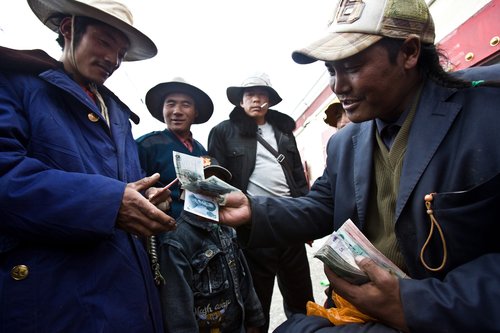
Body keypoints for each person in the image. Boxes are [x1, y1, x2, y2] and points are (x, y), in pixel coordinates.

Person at [210, 0, 500, 332]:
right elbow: (322, 205)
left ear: (408, 52)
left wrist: (416, 303)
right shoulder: (345, 143)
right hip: (355, 312)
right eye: (331, 70)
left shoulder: (488, 117)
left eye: (352, 66)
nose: (338, 86)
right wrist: (254, 212)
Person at [0, 0, 176, 332]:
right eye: (105, 41)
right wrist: (109, 202)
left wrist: (147, 197)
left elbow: (124, 187)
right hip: (57, 304)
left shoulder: (119, 115)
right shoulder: (16, 83)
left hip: (129, 298)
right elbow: (5, 174)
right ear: (68, 29)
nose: (113, 59)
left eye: (122, 53)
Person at [208, 72, 314, 332]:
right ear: (240, 102)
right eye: (249, 95)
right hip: (254, 224)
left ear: (269, 100)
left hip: (291, 219)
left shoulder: (283, 131)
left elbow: (299, 177)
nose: (256, 100)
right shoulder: (223, 131)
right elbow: (216, 179)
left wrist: (308, 217)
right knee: (257, 305)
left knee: (302, 298)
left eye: (262, 95)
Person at [159, 156, 266, 333]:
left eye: (216, 184)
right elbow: (178, 311)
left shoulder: (227, 230)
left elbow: (244, 279)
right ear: (185, 189)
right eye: (202, 184)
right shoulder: (176, 242)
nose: (210, 191)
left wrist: (254, 319)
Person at [136, 77, 214, 219]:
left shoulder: (201, 151)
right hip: (163, 230)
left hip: (202, 229)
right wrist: (149, 193)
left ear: (196, 112)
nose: (177, 111)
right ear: (163, 109)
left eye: (185, 105)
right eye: (170, 104)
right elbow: (129, 187)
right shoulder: (146, 144)